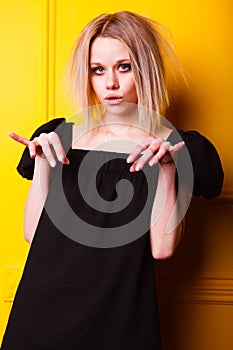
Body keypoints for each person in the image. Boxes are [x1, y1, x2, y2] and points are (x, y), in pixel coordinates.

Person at [1, 11, 223, 350]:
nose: (111, 84)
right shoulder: (58, 135)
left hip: (122, 317)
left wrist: (166, 167)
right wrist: (44, 164)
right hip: (42, 313)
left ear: (145, 69)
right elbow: (34, 235)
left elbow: (162, 250)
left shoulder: (178, 147)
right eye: (98, 70)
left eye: (124, 67)